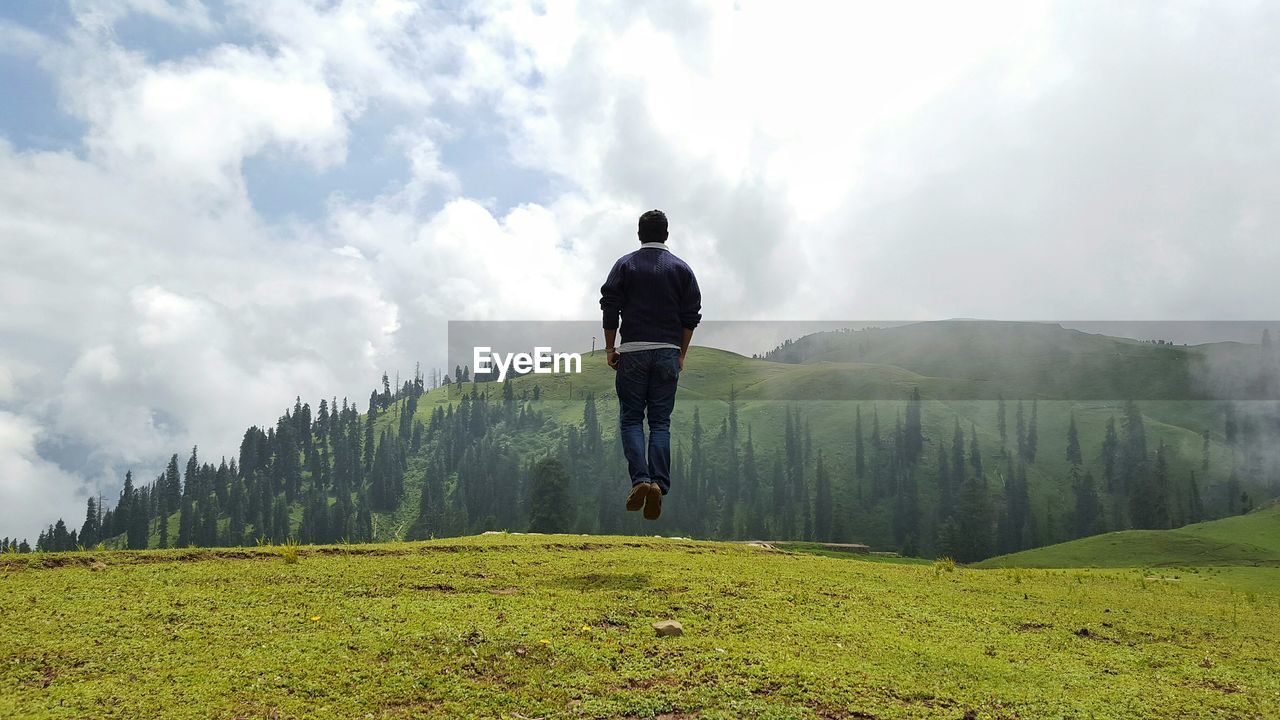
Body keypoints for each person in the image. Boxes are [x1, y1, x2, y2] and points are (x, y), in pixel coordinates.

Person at [599, 209, 702, 520]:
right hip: (668, 353)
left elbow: (610, 306)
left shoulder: (625, 265)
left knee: (631, 420)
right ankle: (658, 482)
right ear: (666, 235)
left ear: (639, 234)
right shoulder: (682, 269)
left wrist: (609, 348)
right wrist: (680, 353)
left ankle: (641, 479)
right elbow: (691, 316)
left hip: (632, 352)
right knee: (660, 423)